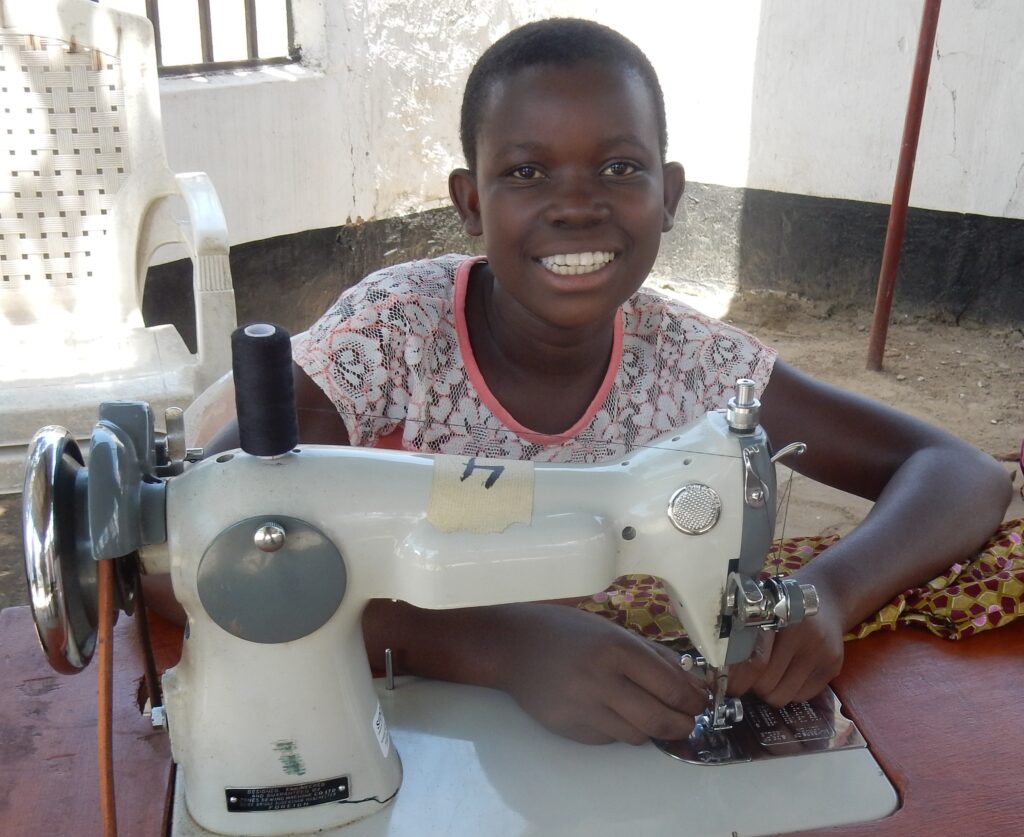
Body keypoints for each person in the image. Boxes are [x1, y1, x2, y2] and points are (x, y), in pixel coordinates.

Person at [205, 18, 1012, 745]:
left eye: (620, 166)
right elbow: (193, 544)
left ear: (670, 195)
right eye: (526, 172)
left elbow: (960, 474)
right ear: (469, 203)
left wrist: (829, 593)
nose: (578, 206)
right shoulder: (393, 336)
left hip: (586, 707)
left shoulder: (691, 360)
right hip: (392, 712)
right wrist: (499, 644)